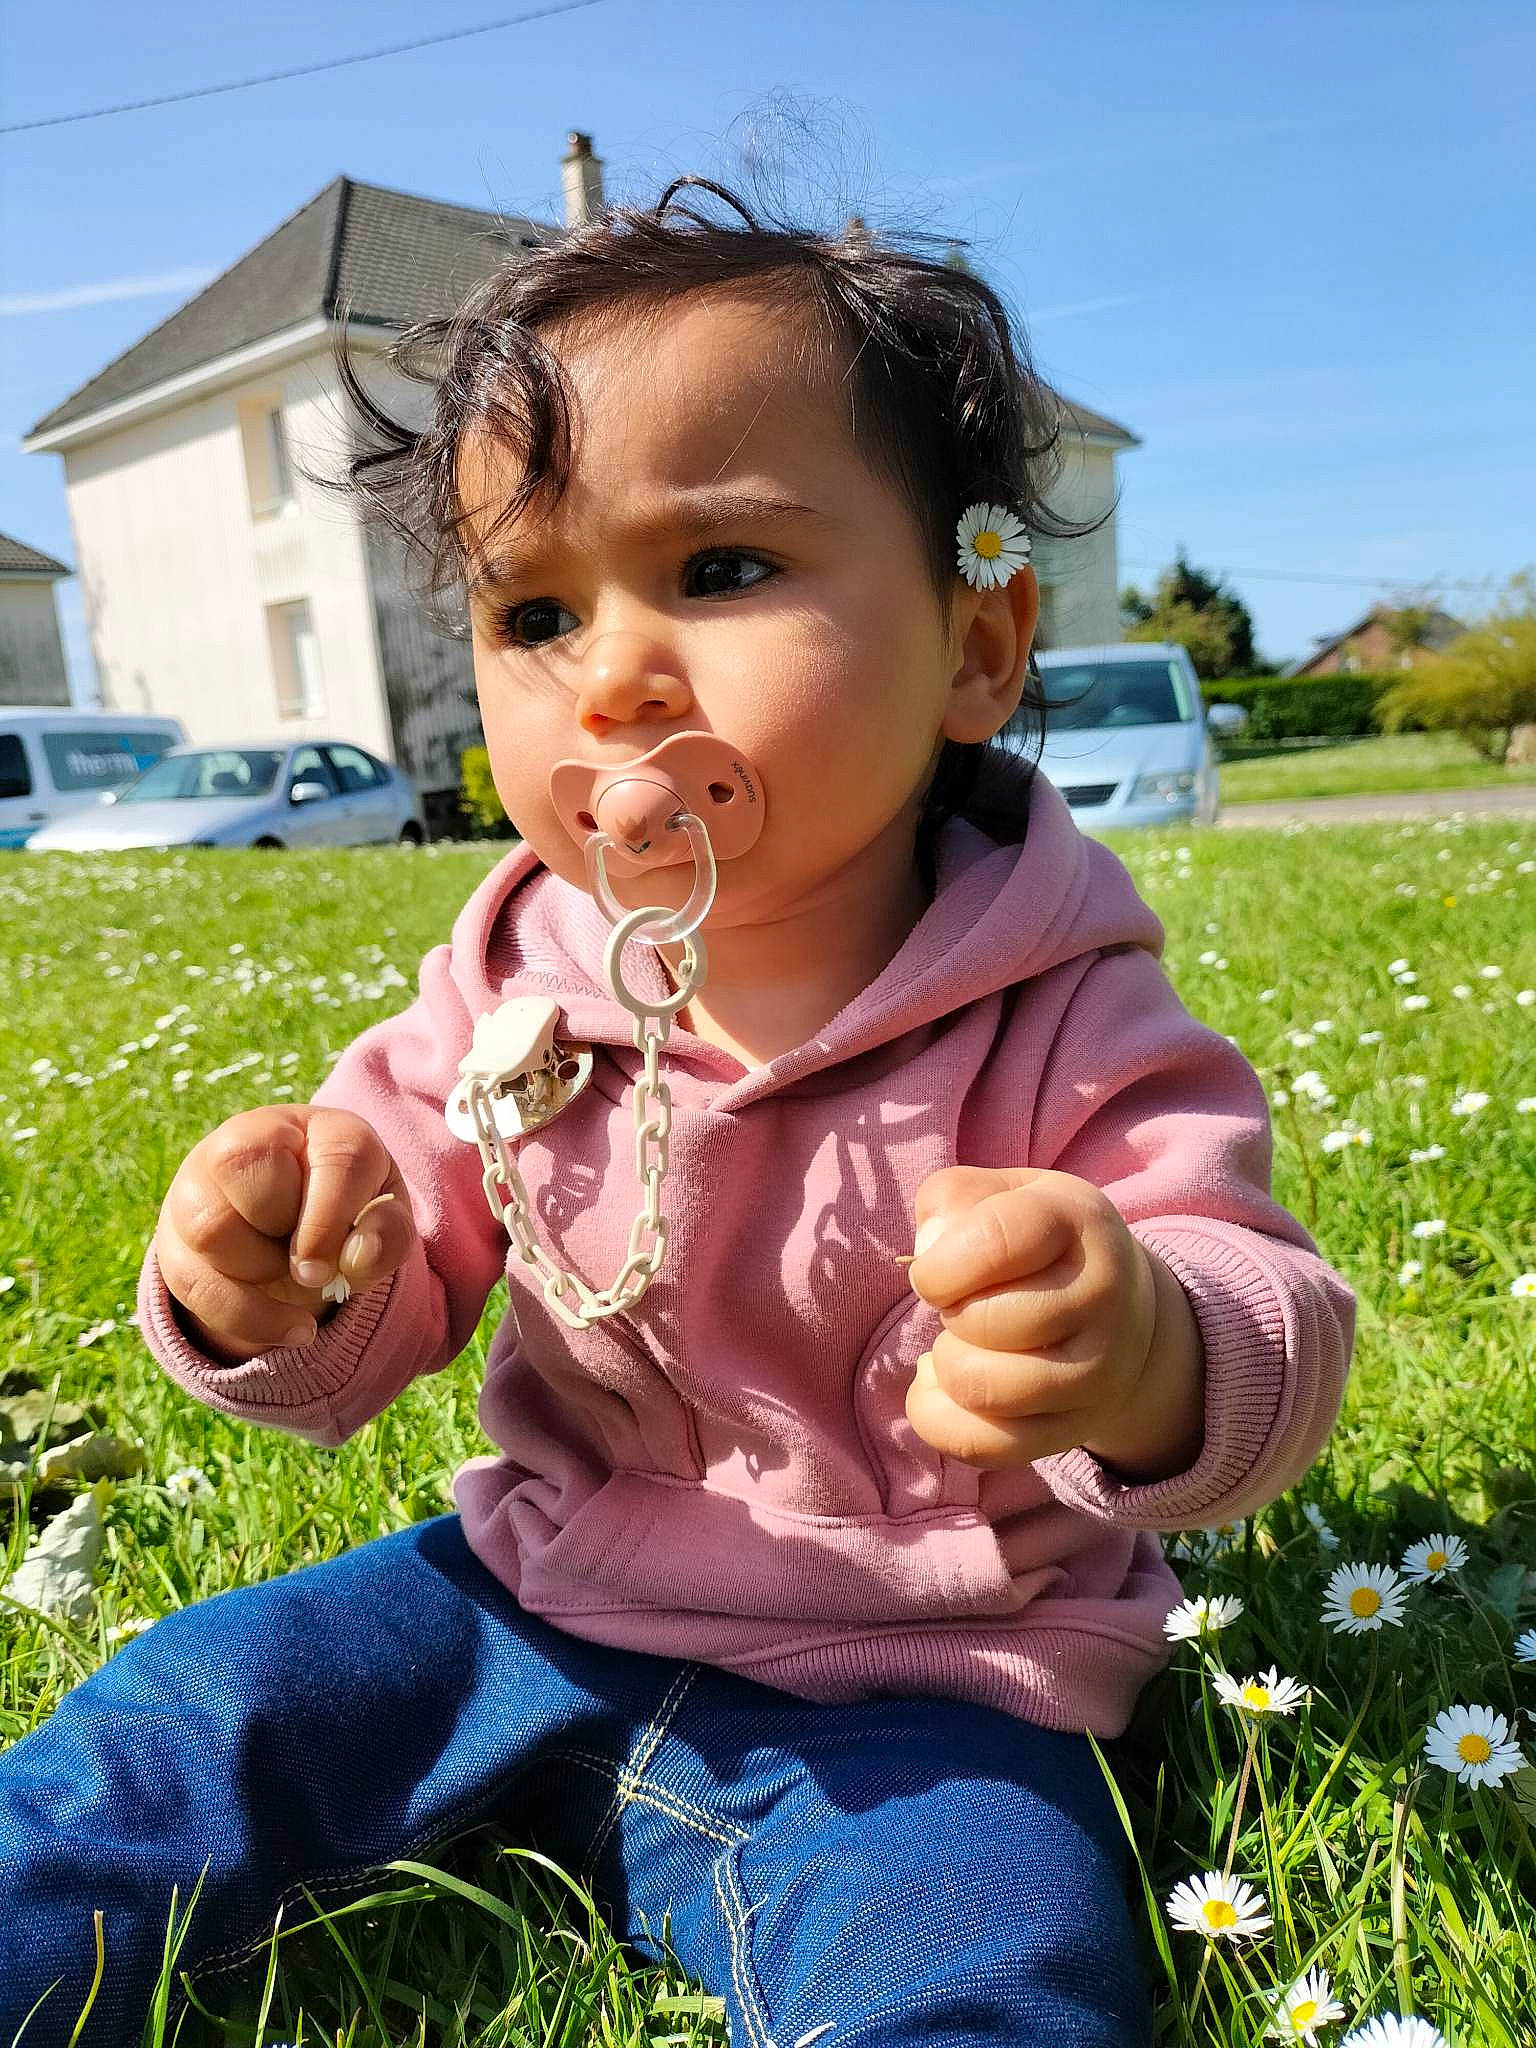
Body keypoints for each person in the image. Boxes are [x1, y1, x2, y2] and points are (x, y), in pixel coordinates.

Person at [0, 178, 1356, 2047]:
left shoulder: (1064, 1003)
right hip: (520, 1594)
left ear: (979, 649)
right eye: (535, 609)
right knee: (163, 1743)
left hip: (926, 1682)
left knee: (989, 1973)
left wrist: (1143, 1341)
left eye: (719, 572)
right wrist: (274, 1278)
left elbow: (1259, 1308)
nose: (617, 677)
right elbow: (375, 1298)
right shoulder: (506, 986)